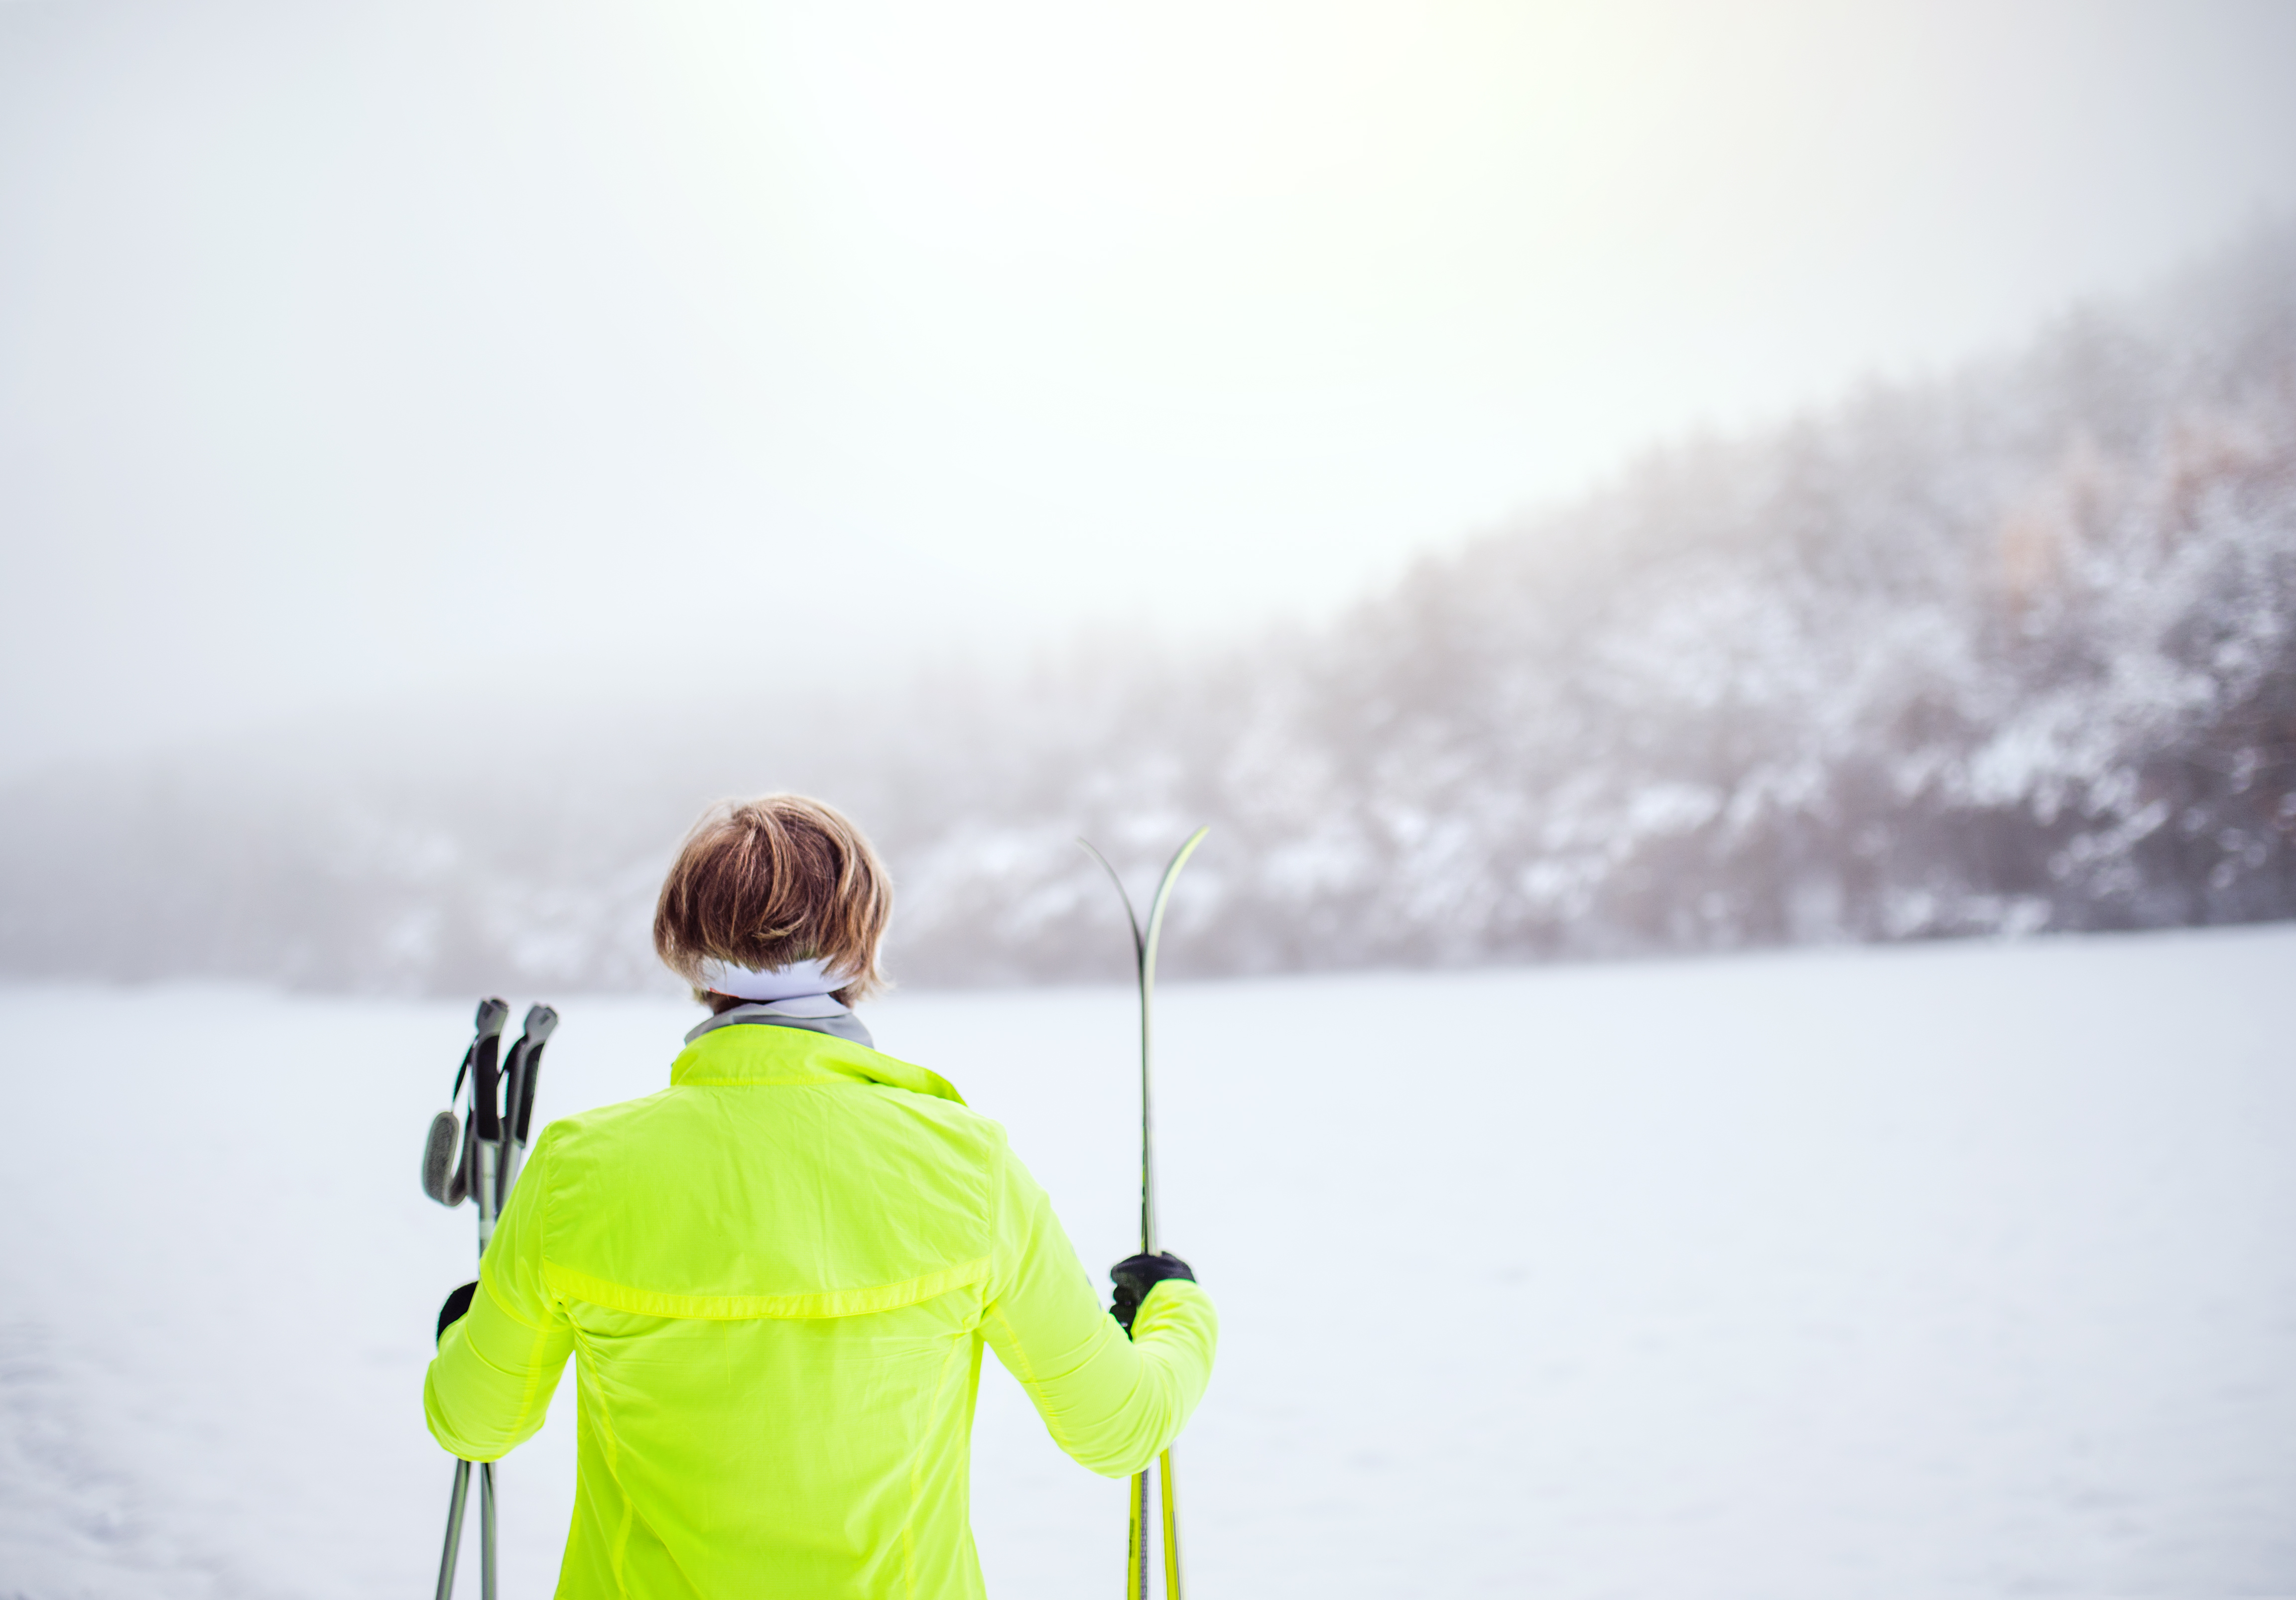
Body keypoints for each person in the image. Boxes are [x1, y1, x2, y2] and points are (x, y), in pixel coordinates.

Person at [423, 794, 1217, 1599]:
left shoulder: (574, 1172)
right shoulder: (967, 1169)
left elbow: (475, 1422)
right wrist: (1175, 1307)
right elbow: (1118, 1428)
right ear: (861, 944)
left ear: (686, 952)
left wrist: (466, 1331)